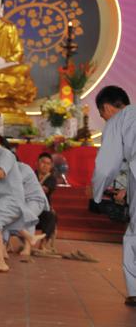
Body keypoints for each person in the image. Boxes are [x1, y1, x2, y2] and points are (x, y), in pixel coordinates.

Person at [91, 85, 136, 306]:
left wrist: (97, 194)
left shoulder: (118, 121)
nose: (104, 120)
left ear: (107, 108)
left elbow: (106, 166)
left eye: (102, 115)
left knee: (134, 237)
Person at [0, 126, 38, 272]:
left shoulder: (6, 154)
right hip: (0, 200)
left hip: (11, 199)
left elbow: (0, 173)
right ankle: (0, 255)